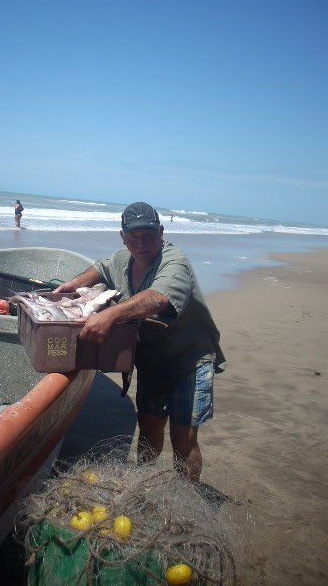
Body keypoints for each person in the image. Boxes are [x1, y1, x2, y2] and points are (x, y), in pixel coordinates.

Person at [55, 202, 225, 482]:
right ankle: (145, 482)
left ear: (161, 231)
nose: (141, 244)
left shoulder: (174, 262)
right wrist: (71, 285)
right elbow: (101, 268)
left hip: (190, 359)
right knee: (148, 426)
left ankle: (186, 494)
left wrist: (109, 315)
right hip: (153, 357)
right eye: (133, 238)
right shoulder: (123, 258)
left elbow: (158, 299)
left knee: (183, 437)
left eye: (148, 236)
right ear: (123, 237)